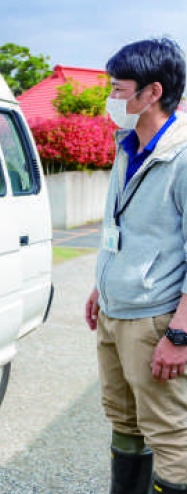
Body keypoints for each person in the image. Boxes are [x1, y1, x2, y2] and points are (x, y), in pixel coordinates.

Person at [84, 38, 187, 494]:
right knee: (123, 418)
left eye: (119, 89)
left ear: (152, 93)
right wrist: (99, 286)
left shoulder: (181, 159)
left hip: (155, 318)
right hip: (114, 310)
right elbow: (121, 228)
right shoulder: (127, 146)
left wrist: (180, 334)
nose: (111, 99)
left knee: (169, 432)